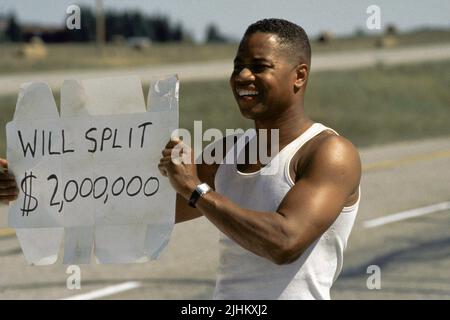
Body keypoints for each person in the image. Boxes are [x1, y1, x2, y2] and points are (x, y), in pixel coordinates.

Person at [1, 18, 361, 300]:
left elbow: (284, 242)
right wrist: (28, 187)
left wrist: (197, 190)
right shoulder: (228, 150)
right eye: (238, 66)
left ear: (299, 75)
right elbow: (131, 206)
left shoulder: (329, 152)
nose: (243, 76)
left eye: (259, 66)